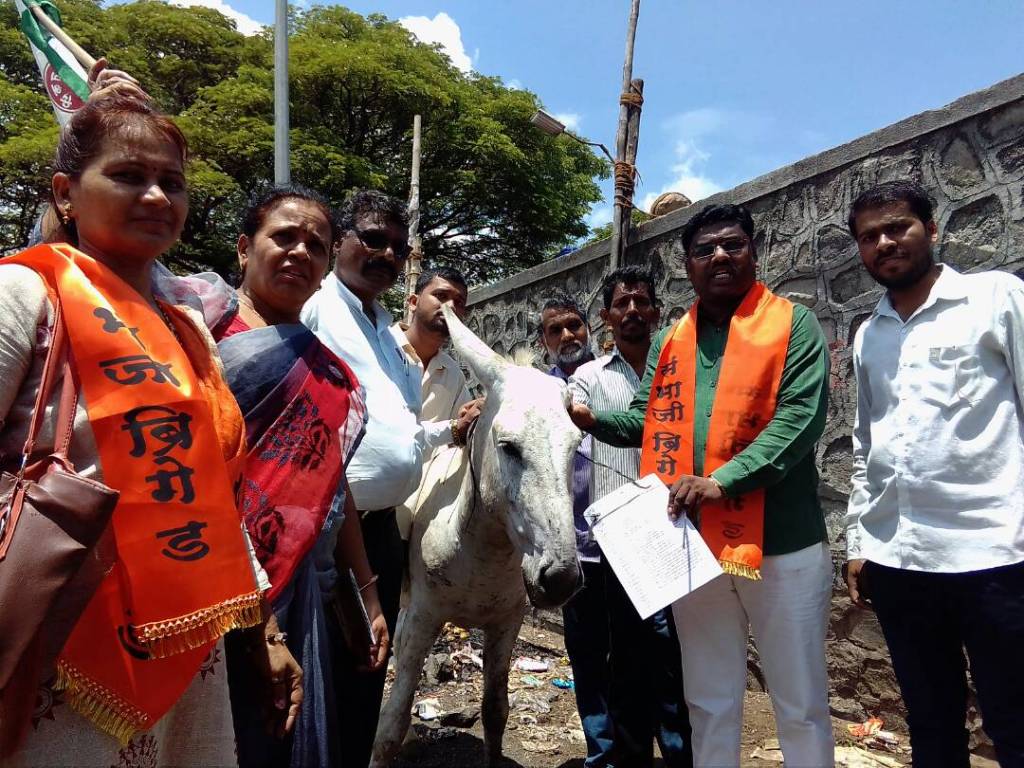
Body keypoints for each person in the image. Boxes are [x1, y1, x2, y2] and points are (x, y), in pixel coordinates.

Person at [0, 94, 300, 766]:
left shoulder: (186, 327)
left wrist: (264, 632)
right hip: (64, 640)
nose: (157, 196)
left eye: (172, 181)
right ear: (66, 193)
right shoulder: (24, 294)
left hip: (185, 646)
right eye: (129, 176)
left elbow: (214, 495)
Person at [570, 203, 833, 767]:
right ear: (687, 266)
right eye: (703, 249)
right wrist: (593, 421)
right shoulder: (672, 340)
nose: (718, 255)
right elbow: (645, 419)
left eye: (731, 244)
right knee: (708, 700)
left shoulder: (793, 323)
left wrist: (720, 482)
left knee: (799, 702)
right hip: (691, 547)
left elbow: (799, 421)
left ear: (753, 252)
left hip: (781, 546)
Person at [185, 186, 387, 768]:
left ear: (326, 269)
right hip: (203, 581)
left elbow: (331, 489)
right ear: (245, 249)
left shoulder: (327, 374)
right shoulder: (196, 333)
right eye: (284, 236)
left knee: (280, 736)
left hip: (298, 586)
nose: (300, 251)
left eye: (316, 245)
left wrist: (365, 594)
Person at [844, 180, 1024, 767]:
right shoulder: (869, 334)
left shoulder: (996, 299)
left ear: (932, 229)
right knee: (929, 720)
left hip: (996, 554)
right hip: (902, 561)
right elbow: (866, 443)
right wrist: (859, 540)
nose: (885, 242)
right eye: (870, 236)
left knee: (1015, 721)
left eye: (898, 227)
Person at [300, 189, 422, 768]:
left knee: (369, 668)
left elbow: (402, 426)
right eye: (373, 239)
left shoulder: (384, 327)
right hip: (328, 532)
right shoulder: (318, 302)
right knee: (325, 674)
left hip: (381, 531)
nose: (387, 255)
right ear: (339, 241)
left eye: (398, 247)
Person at [568, 267, 693, 768]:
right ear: (607, 316)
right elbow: (570, 411)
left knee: (671, 661)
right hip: (611, 543)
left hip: (675, 537)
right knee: (619, 662)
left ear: (658, 313)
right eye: (622, 304)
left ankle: (681, 753)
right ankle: (619, 756)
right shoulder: (590, 377)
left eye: (642, 302)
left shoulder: (680, 372)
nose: (633, 311)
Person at [537, 292, 612, 766]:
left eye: (574, 325)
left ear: (589, 328)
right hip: (575, 549)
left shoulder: (613, 378)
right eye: (555, 329)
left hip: (629, 543)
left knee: (642, 653)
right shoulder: (535, 392)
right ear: (543, 341)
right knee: (587, 657)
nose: (567, 335)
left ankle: (637, 747)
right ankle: (601, 754)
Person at [391, 267, 483, 537]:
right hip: (372, 511)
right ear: (413, 301)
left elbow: (461, 434)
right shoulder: (381, 350)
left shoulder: (453, 373)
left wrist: (475, 414)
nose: (451, 307)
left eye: (460, 303)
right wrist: (456, 426)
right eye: (441, 296)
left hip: (423, 519)